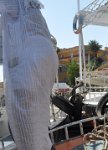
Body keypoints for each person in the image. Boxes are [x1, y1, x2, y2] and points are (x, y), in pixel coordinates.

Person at [0, 0, 58, 150]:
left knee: (28, 135)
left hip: (27, 62)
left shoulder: (12, 7)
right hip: (44, 52)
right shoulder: (32, 8)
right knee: (39, 123)